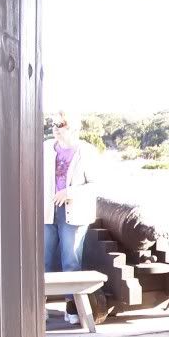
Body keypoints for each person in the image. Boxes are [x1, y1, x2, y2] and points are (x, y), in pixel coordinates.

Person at [43, 110, 99, 324]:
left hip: (74, 212)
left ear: (73, 128)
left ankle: (71, 305)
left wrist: (69, 192)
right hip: (47, 210)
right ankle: (40, 306)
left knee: (71, 260)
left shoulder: (86, 151)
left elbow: (95, 184)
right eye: (53, 124)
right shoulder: (46, 148)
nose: (55, 128)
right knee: (43, 260)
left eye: (61, 125)